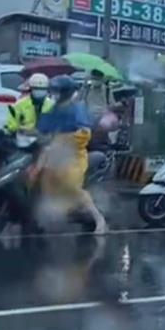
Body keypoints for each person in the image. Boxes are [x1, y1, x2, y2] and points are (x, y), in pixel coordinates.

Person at [34, 75, 107, 234]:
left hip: (73, 156)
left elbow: (84, 133)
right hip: (54, 154)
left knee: (71, 185)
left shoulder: (77, 108)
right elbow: (42, 130)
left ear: (65, 92)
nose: (54, 94)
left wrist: (62, 140)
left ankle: (98, 218)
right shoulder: (53, 109)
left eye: (57, 91)